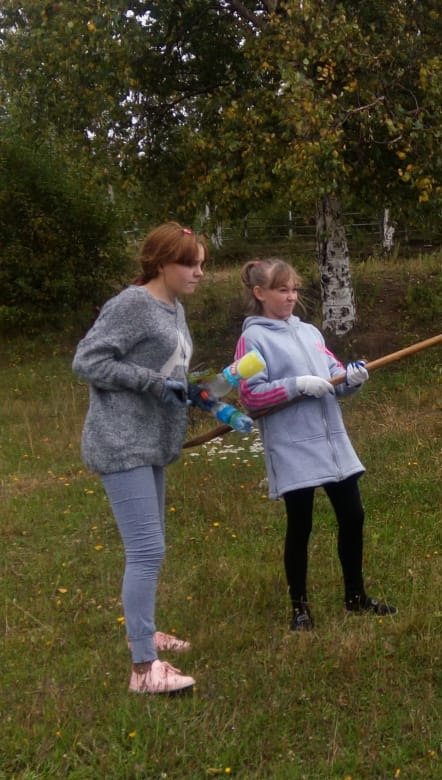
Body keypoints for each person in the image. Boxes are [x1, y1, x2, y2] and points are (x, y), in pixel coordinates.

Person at [73, 222, 207, 695]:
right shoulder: (131, 304)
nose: (198, 273)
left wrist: (199, 394)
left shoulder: (175, 309)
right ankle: (143, 670)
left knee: (153, 546)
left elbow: (168, 371)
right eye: (189, 264)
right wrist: (151, 384)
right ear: (160, 263)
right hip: (121, 439)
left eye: (201, 264)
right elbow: (87, 361)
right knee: (147, 550)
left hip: (152, 441)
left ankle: (146, 631)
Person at [236, 258, 395, 632]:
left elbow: (334, 379)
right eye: (282, 290)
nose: (291, 297)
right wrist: (296, 385)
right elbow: (251, 396)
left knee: (353, 515)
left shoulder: (310, 333)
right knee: (301, 523)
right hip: (292, 444)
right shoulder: (252, 339)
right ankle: (299, 608)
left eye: (294, 289)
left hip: (331, 442)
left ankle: (355, 598)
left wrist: (351, 379)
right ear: (260, 294)